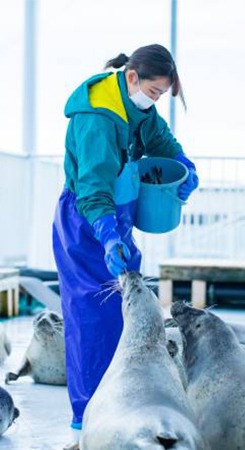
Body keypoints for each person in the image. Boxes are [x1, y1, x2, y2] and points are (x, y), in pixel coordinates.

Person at [52, 44, 199, 449]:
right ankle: (84, 428)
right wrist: (107, 233)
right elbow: (92, 187)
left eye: (160, 96)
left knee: (131, 319)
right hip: (86, 224)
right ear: (132, 77)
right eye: (153, 92)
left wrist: (186, 167)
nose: (154, 101)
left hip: (119, 220)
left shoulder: (140, 108)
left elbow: (163, 143)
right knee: (92, 324)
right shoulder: (96, 119)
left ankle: (124, 412)